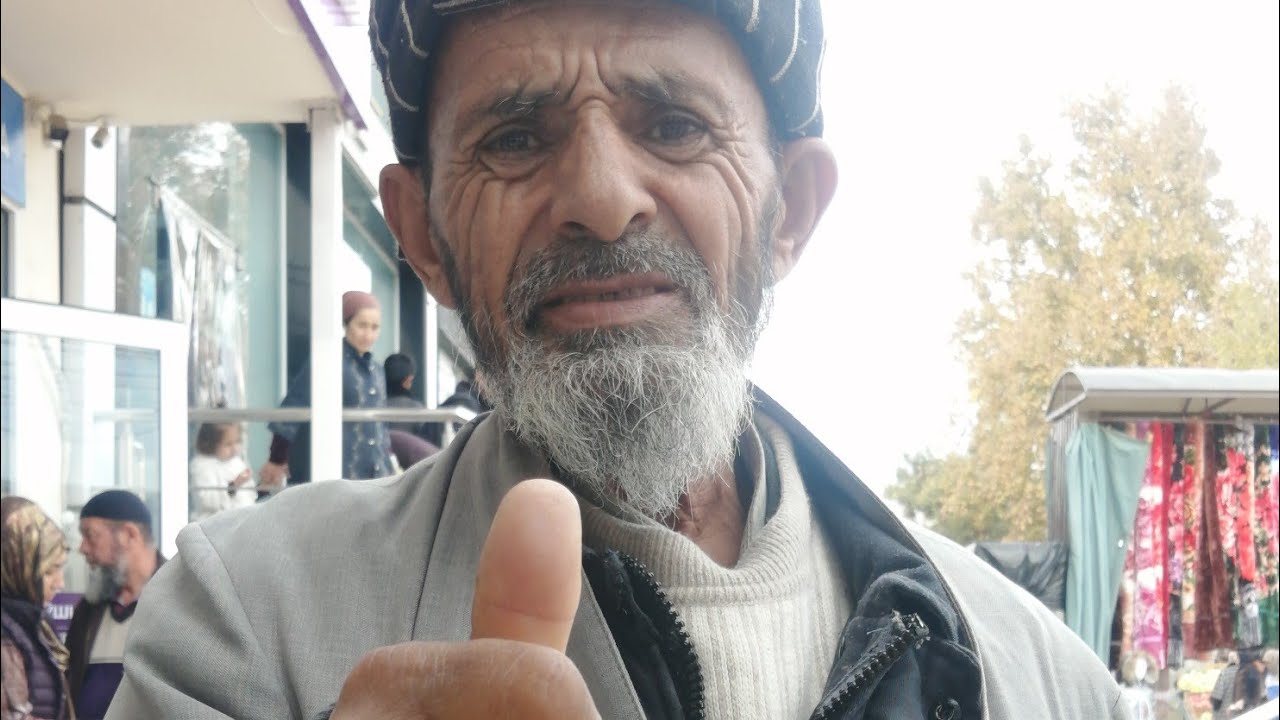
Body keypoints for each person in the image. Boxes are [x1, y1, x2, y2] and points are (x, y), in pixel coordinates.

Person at [108, 2, 1126, 718]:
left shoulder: (1048, 683)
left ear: (789, 214)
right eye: (515, 138)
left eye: (675, 126)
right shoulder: (245, 624)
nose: (601, 197)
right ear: (422, 237)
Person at [259, 291, 395, 486]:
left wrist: (391, 462)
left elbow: (382, 426)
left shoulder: (377, 370)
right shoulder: (328, 361)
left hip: (377, 471)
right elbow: (294, 406)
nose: (368, 335)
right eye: (362, 325)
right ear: (346, 323)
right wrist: (276, 459)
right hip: (337, 469)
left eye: (375, 327)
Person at [67, 491, 164, 720]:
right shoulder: (88, 610)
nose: (83, 548)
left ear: (129, 534)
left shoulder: (180, 600)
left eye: (91, 535)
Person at [1, 497, 72, 720]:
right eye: (49, 571)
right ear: (15, 565)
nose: (60, 583)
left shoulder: (33, 624)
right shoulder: (7, 631)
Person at [188, 422, 261, 522]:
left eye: (237, 441)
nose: (234, 448)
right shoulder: (202, 466)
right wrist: (233, 486)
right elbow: (206, 500)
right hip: (214, 524)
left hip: (242, 521)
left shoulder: (237, 462)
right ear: (211, 443)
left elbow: (249, 495)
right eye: (228, 444)